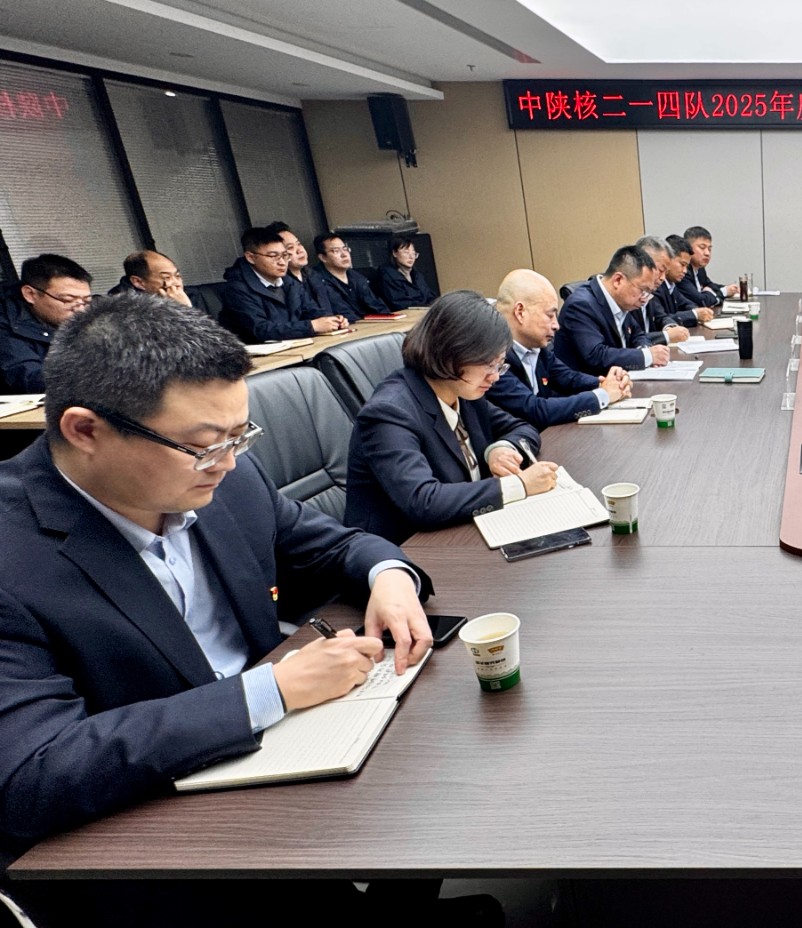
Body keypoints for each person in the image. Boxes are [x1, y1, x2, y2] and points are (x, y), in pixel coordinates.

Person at [0, 292, 454, 925]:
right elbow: (33, 774)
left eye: (241, 435)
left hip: (285, 752)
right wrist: (270, 691)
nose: (232, 462)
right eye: (206, 444)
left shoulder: (228, 479)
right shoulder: (13, 554)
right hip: (153, 833)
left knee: (444, 774)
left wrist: (390, 577)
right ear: (85, 430)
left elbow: (337, 546)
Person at [345, 291, 557, 544]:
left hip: (465, 529)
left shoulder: (463, 391)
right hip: (406, 550)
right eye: (489, 365)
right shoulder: (389, 413)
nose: (495, 376)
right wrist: (519, 485)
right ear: (451, 353)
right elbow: (423, 501)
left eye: (500, 365)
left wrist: (499, 449)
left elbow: (522, 428)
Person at [488, 269, 630, 428]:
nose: (556, 325)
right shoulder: (492, 357)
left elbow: (569, 378)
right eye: (550, 315)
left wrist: (608, 383)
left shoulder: (536, 347)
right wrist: (603, 395)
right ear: (520, 312)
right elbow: (535, 410)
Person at [550, 245, 671, 376]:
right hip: (590, 384)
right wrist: (646, 356)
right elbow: (596, 355)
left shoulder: (621, 301)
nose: (644, 298)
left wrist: (644, 348)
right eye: (643, 290)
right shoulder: (580, 305)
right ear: (618, 280)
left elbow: (637, 334)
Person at [219, 227, 347, 342]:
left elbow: (311, 310)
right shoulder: (237, 289)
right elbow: (261, 329)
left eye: (285, 255)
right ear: (251, 257)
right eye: (273, 256)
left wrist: (333, 320)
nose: (282, 262)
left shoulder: (290, 283)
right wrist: (311, 326)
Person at [0, 253, 93, 392]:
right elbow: (32, 379)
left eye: (86, 301)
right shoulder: (6, 326)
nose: (80, 309)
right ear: (30, 294)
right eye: (67, 300)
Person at [311, 232, 390, 321]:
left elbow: (376, 305)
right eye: (336, 251)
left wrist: (389, 318)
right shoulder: (317, 281)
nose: (344, 254)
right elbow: (342, 313)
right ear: (323, 257)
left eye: (345, 249)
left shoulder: (357, 277)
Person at [635, 235, 697, 343]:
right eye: (660, 270)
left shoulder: (648, 291)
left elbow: (661, 316)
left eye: (665, 272)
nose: (663, 278)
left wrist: (670, 326)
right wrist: (666, 336)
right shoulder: (628, 296)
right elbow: (632, 339)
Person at [266, 221, 326, 313]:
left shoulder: (314, 275)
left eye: (299, 244)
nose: (300, 250)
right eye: (290, 247)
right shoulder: (280, 284)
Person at [375, 233, 438, 311]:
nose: (411, 257)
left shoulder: (417, 275)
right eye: (406, 252)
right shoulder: (387, 276)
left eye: (413, 253)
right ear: (395, 253)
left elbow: (430, 296)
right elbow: (401, 304)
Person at [109, 250, 191, 307]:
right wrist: (182, 308)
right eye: (166, 277)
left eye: (177, 276)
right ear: (138, 282)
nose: (177, 283)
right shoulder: (123, 307)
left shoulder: (189, 295)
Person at [682, 225, 734, 306]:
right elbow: (701, 301)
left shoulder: (700, 269)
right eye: (702, 247)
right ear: (688, 248)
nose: (707, 253)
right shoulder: (683, 272)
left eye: (709, 249)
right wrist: (724, 292)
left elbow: (710, 285)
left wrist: (729, 288)